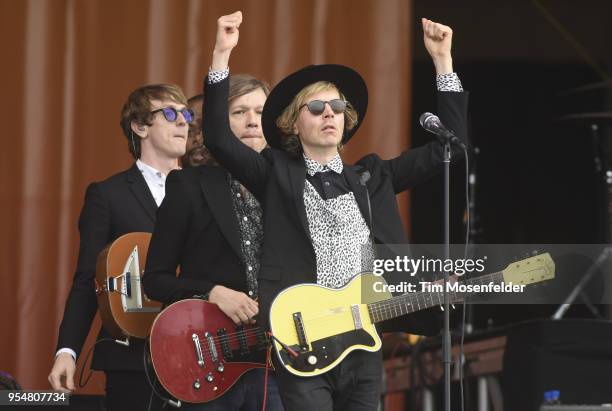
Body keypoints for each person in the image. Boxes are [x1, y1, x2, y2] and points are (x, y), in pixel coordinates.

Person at [202, 11, 468, 410]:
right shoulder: (275, 173)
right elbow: (219, 140)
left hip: (363, 337)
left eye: (337, 106)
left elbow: (450, 147)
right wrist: (222, 55)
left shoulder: (372, 177)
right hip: (303, 333)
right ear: (293, 122)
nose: (329, 113)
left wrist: (443, 62)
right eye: (316, 107)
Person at [143, 76, 283, 410]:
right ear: (218, 123)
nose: (252, 120)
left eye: (260, 112)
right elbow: (155, 280)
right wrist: (213, 293)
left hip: (274, 362)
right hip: (210, 359)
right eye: (239, 111)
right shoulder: (188, 186)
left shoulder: (287, 188)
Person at [48, 84, 191, 411]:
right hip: (132, 355)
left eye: (186, 114)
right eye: (170, 114)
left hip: (200, 350)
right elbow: (88, 279)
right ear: (140, 127)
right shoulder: (107, 195)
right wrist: (67, 351)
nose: (183, 122)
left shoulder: (206, 189)